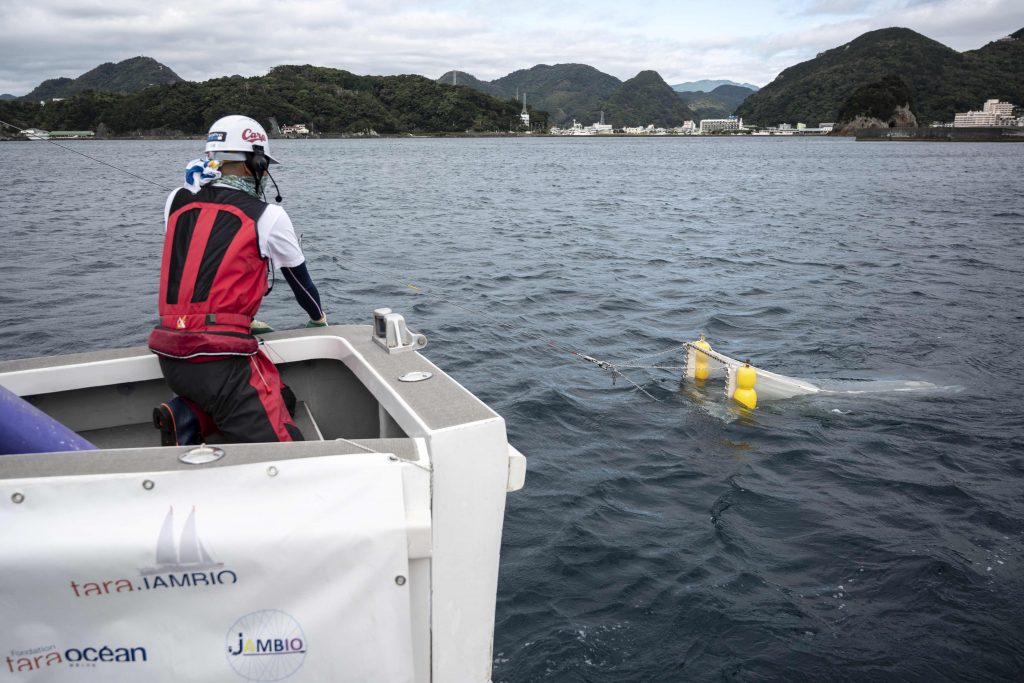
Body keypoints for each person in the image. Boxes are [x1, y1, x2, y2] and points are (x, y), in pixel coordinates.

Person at [149, 115, 327, 444]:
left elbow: (202, 265)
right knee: (286, 447)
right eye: (264, 165)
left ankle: (187, 417)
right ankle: (193, 421)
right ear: (253, 163)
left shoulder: (176, 199)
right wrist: (318, 318)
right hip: (219, 359)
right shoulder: (268, 215)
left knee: (280, 397)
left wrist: (244, 318)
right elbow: (301, 283)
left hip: (170, 351)